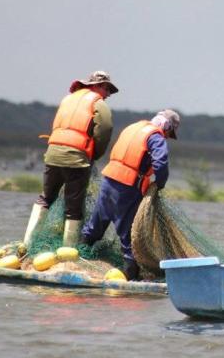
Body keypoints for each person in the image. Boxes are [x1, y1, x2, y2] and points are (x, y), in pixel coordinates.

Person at [81, 109, 180, 280]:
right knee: (128, 235)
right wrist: (160, 184)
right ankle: (130, 278)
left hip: (109, 180)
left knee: (94, 227)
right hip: (127, 187)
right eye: (169, 133)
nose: (167, 137)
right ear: (166, 126)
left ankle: (76, 259)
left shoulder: (133, 127)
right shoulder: (156, 136)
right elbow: (161, 163)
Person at [23, 71, 118, 248]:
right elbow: (105, 130)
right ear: (96, 86)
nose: (108, 94)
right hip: (76, 158)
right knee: (73, 206)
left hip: (52, 154)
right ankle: (68, 252)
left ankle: (27, 244)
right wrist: (94, 154)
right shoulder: (98, 102)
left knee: (46, 198)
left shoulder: (68, 99)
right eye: (107, 89)